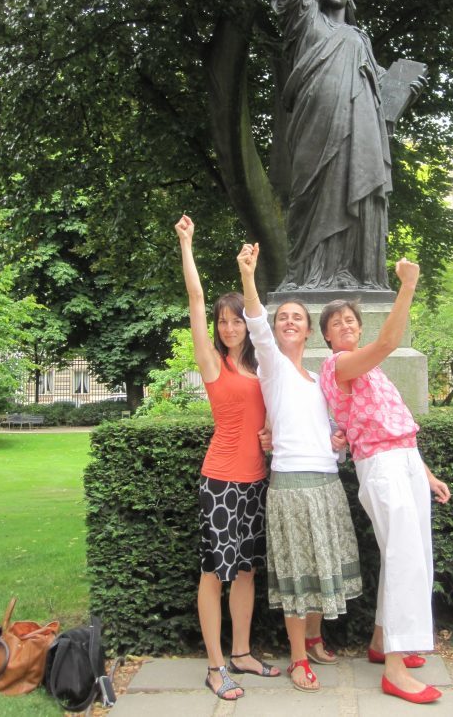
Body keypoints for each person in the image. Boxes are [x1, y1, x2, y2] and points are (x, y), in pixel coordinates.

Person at [319, 259, 451, 705]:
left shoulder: (368, 372)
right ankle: (395, 668)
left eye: (351, 319)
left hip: (404, 462)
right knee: (406, 559)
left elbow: (394, 424)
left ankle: (381, 643)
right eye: (337, 322)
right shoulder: (339, 366)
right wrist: (408, 285)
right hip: (382, 467)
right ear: (328, 338)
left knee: (411, 555)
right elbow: (391, 340)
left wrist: (426, 473)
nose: (346, 324)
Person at [236, 240, 362, 692]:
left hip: (328, 481)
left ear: (309, 332)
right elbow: (255, 326)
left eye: (298, 318)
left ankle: (312, 637)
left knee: (321, 566)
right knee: (297, 574)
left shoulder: (317, 379)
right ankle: (295, 659)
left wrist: (338, 442)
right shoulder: (272, 366)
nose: (289, 322)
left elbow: (332, 431)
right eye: (283, 317)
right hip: (290, 484)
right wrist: (249, 276)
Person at [266, 0, 392, 291]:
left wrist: (406, 91)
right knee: (309, 197)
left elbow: (383, 100)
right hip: (314, 128)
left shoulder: (361, 40)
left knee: (350, 195)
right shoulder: (307, 21)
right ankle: (306, 273)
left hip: (360, 135)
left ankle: (348, 273)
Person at [174, 214, 280, 700]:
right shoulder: (212, 362)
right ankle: (215, 666)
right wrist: (188, 244)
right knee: (214, 572)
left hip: (256, 480)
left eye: (236, 319)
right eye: (224, 321)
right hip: (219, 480)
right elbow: (195, 299)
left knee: (245, 570)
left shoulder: (260, 365)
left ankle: (241, 652)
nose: (230, 326)